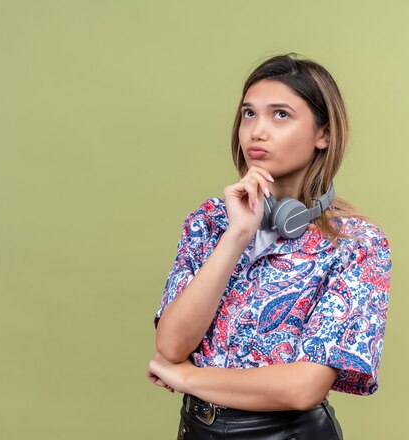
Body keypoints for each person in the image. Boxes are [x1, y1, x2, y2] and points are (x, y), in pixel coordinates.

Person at [146, 53, 392, 440]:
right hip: (195, 430)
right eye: (249, 114)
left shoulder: (356, 245)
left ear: (323, 134)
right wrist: (236, 236)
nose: (257, 131)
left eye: (280, 115)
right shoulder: (210, 222)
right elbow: (172, 344)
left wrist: (188, 377)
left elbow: (303, 387)